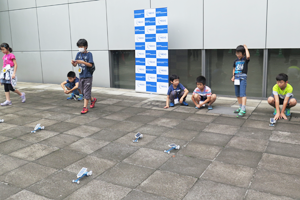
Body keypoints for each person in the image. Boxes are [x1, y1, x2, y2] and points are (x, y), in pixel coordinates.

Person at [71, 39, 96, 114]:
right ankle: (92, 99)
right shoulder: (78, 54)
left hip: (88, 76)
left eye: (81, 46)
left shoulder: (89, 54)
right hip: (81, 75)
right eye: (79, 46)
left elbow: (90, 64)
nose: (80, 48)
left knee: (86, 91)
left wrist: (82, 62)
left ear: (86, 47)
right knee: (83, 92)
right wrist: (73, 63)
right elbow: (75, 65)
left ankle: (85, 108)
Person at [231, 44, 250, 117]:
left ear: (243, 53)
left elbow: (248, 56)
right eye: (236, 53)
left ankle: (243, 109)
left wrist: (245, 48)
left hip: (242, 77)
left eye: (239, 53)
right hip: (236, 78)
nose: (237, 55)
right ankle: (240, 107)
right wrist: (233, 76)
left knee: (242, 94)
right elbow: (234, 68)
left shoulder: (245, 59)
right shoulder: (235, 60)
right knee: (238, 94)